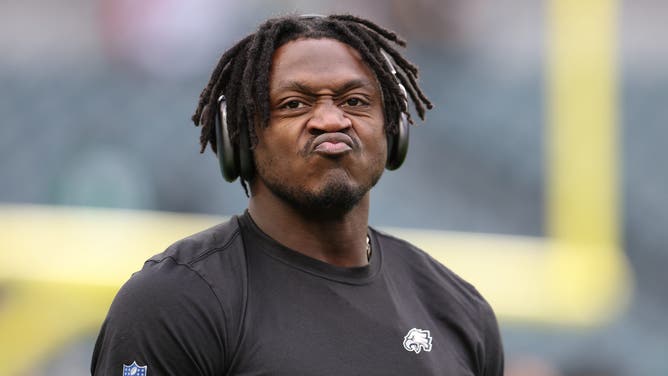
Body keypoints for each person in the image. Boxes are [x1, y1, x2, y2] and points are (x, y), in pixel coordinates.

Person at [91, 14, 504, 375]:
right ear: (239, 138)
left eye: (355, 101)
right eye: (294, 104)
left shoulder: (457, 309)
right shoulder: (176, 302)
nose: (329, 120)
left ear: (394, 131)